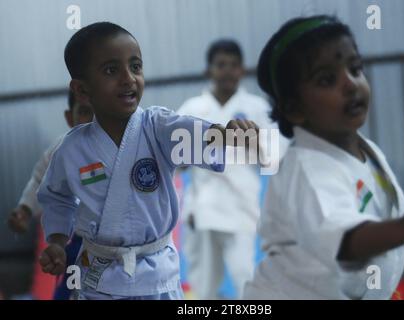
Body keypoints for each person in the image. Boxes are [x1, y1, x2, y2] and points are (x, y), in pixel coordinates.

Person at [37, 22, 260, 300]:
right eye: (111, 70)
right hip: (99, 277)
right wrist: (57, 241)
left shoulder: (158, 127)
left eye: (136, 67)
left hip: (157, 277)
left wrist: (225, 134)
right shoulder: (71, 150)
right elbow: (57, 198)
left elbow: (190, 132)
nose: (128, 78)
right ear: (82, 90)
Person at [243, 15, 404, 299]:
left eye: (355, 69)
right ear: (295, 109)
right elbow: (347, 241)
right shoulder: (308, 169)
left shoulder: (367, 152)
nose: (350, 84)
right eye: (327, 79)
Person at [177, 39, 287, 299]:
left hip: (241, 207)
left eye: (233, 65)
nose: (227, 71)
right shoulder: (192, 109)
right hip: (201, 209)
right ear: (209, 71)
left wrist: (253, 142)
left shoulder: (256, 109)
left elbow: (275, 157)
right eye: (220, 65)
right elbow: (175, 160)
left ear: (242, 70)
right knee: (203, 285)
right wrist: (196, 147)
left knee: (244, 278)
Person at [8, 91, 93, 300]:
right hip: (76, 240)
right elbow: (40, 180)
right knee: (68, 289)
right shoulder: (61, 150)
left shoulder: (122, 145)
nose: (92, 120)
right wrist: (25, 210)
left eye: (98, 111)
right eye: (84, 112)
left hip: (116, 244)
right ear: (69, 117)